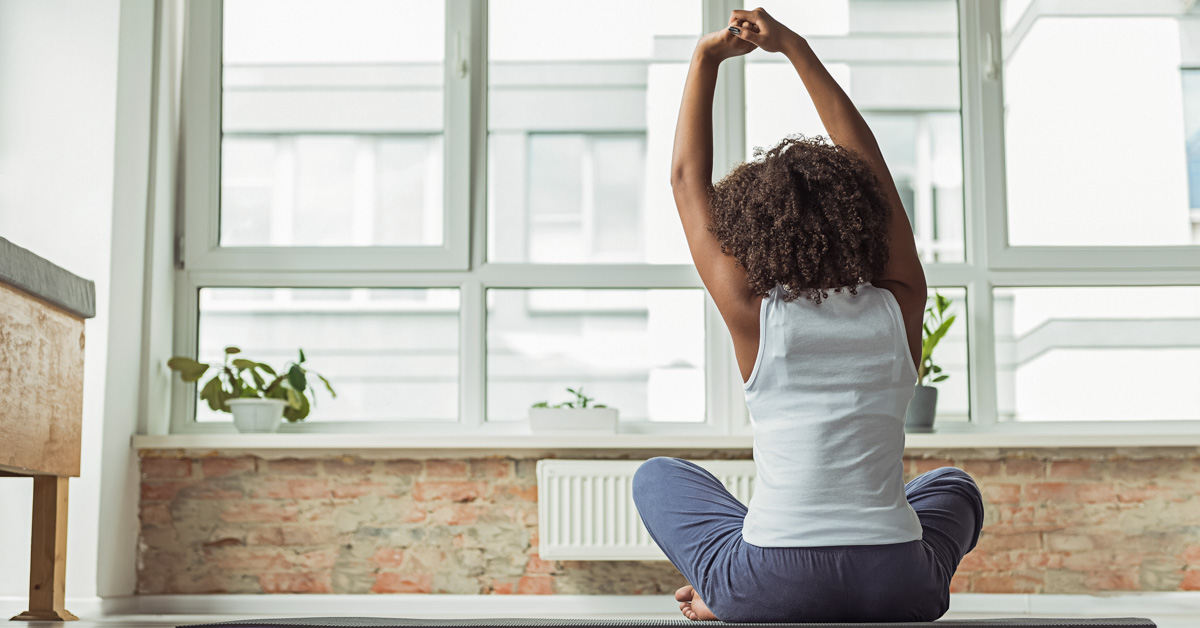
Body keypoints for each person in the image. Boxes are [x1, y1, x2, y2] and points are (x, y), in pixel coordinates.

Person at [631, 8, 984, 623]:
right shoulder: (901, 299)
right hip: (901, 587)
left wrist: (705, 60)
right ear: (863, 216)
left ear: (752, 230)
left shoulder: (754, 315)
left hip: (773, 586)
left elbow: (688, 181)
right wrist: (796, 50)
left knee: (657, 476)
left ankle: (727, 596)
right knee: (953, 486)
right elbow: (868, 163)